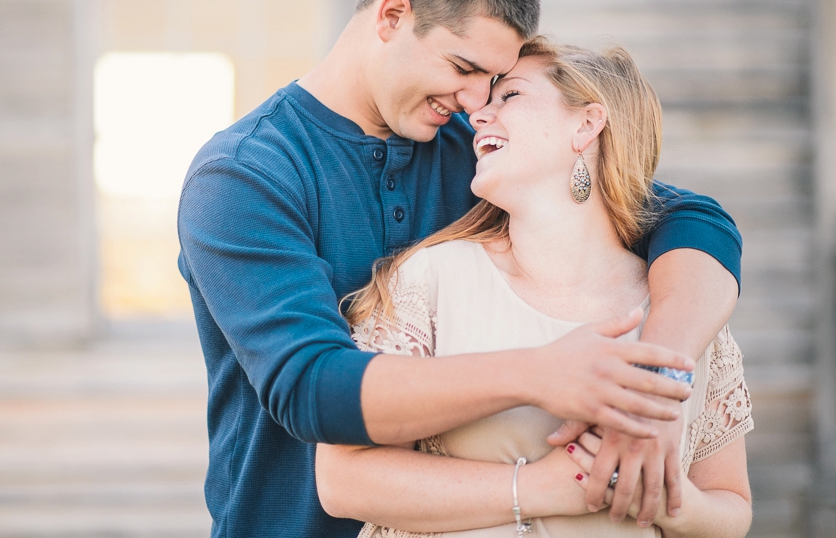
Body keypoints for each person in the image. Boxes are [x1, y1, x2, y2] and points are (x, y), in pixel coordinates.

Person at [176, 0, 742, 536]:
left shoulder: (481, 157)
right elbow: (312, 388)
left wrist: (654, 386)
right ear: (392, 17)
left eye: (497, 81)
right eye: (464, 69)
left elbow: (694, 219)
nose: (477, 102)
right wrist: (542, 374)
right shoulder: (244, 175)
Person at [316, 38, 753, 537]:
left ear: (587, 124)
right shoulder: (429, 281)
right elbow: (343, 481)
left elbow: (732, 508)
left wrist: (663, 499)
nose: (478, 114)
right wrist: (542, 487)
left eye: (511, 96)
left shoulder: (685, 303)